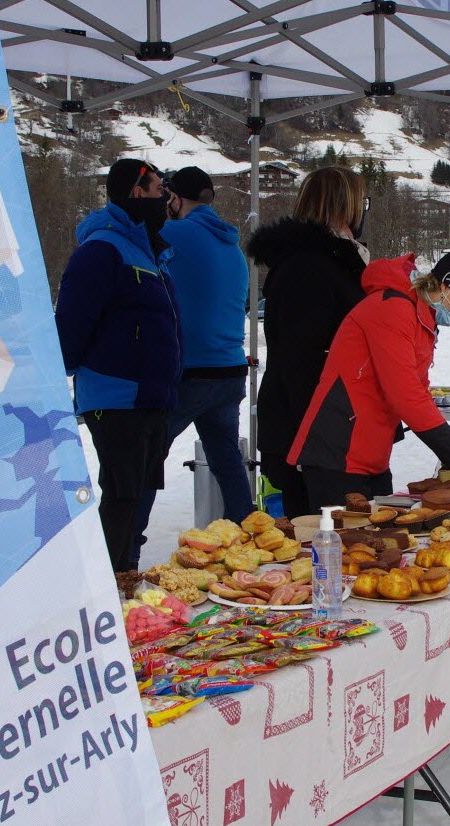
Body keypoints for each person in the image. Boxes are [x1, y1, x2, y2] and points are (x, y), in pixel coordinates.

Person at [289, 242, 450, 508]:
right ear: (448, 284)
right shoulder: (392, 309)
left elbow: (419, 387)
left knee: (386, 540)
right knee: (347, 545)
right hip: (338, 451)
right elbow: (406, 394)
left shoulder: (422, 317)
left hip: (372, 451)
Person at [55, 158, 180, 573]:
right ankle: (103, 584)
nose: (166, 198)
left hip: (151, 396)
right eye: (159, 189)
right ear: (136, 192)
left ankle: (125, 576)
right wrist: (67, 371)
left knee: (139, 493)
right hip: (115, 395)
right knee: (122, 494)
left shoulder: (150, 250)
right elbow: (72, 322)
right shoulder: (101, 248)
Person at [129, 167, 252, 564]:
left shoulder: (172, 234)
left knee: (146, 459)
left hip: (188, 372)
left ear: (174, 200)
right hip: (229, 369)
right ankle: (249, 537)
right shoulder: (232, 246)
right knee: (227, 461)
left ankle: (127, 547)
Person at [246, 166, 368, 518]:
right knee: (324, 543)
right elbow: (301, 359)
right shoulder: (308, 267)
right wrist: (313, 443)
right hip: (313, 431)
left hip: (333, 427)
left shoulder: (337, 260)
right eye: (361, 203)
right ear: (346, 206)